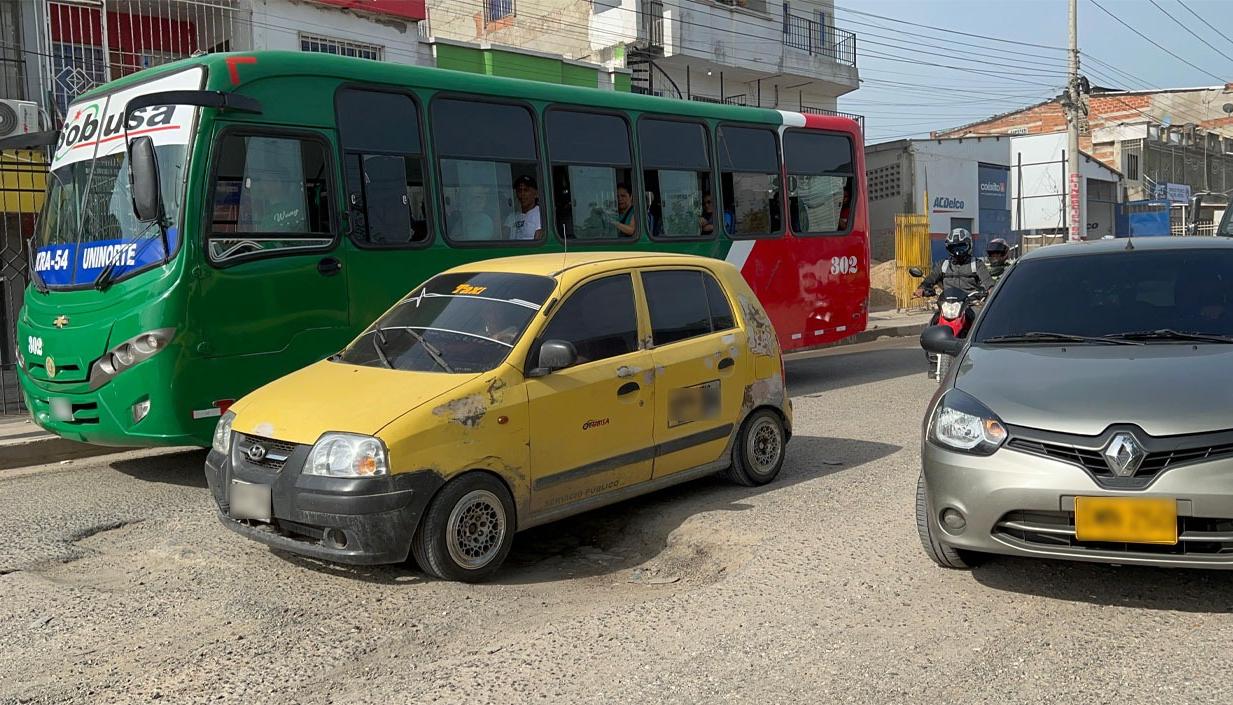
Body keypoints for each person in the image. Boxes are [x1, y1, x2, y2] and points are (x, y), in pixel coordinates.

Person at [915, 228, 993, 298]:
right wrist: (922, 288)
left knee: (978, 314)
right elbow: (931, 278)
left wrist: (991, 289)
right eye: (954, 248)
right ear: (948, 249)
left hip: (971, 304)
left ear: (969, 245)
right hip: (948, 304)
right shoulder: (943, 265)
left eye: (962, 247)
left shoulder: (977, 264)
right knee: (937, 315)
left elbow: (988, 281)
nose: (958, 252)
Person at [505, 174, 542, 241]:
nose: (522, 194)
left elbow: (538, 244)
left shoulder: (541, 215)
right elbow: (503, 239)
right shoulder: (511, 217)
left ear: (536, 194)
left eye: (526, 190)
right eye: (519, 190)